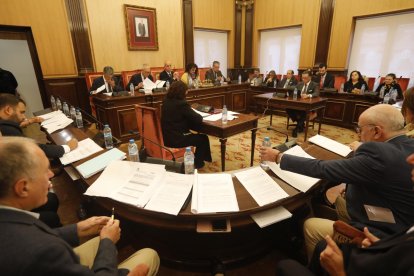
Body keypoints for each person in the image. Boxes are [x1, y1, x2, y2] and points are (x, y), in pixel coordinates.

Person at [260, 104, 414, 260]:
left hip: (384, 234)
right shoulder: (409, 144)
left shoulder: (378, 154)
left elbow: (323, 168)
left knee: (311, 226)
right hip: (400, 221)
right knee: (340, 200)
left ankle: (319, 266)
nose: (358, 134)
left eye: (360, 130)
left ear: (376, 131)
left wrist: (279, 157)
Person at [0, 137, 159, 275]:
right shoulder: (44, 251)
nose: (51, 174)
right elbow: (40, 245)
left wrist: (78, 229)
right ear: (23, 188)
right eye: (44, 170)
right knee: (149, 254)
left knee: (100, 241)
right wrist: (108, 242)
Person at [0, 94, 78, 159]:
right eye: (21, 112)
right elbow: (33, 149)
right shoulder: (7, 129)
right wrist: (67, 147)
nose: (24, 117)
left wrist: (27, 122)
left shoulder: (5, 126)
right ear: (8, 110)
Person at [161, 81, 212, 168]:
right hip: (177, 139)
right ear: (181, 92)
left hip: (166, 136)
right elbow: (198, 119)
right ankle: (198, 163)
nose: (187, 93)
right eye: (186, 91)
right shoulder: (181, 104)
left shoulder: (166, 101)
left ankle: (201, 160)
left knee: (199, 137)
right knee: (203, 139)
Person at [286, 70, 320, 137]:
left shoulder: (315, 84)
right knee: (288, 108)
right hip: (298, 104)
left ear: (310, 77)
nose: (303, 79)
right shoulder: (299, 84)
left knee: (304, 112)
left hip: (308, 105)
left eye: (305, 78)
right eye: (302, 78)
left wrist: (308, 95)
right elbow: (294, 90)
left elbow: (316, 93)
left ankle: (297, 128)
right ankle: (300, 123)